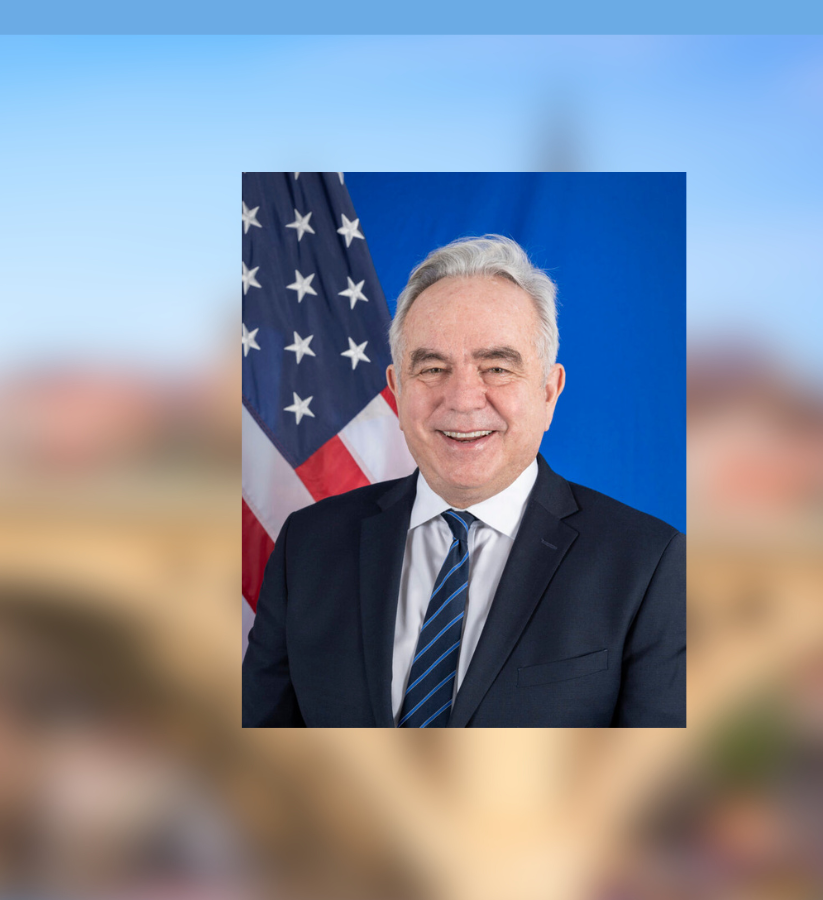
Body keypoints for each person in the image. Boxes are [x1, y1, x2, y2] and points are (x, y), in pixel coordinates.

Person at [242, 235, 685, 727]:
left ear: (548, 393)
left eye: (497, 367)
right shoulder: (308, 546)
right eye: (432, 368)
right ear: (396, 391)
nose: (463, 399)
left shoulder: (649, 565)